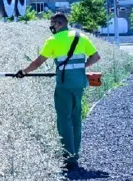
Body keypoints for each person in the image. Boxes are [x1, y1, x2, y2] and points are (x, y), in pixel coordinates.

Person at [15, 12, 101, 172]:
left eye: (53, 23)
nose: (51, 26)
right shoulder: (81, 37)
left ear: (59, 24)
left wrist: (24, 72)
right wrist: (81, 67)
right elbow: (95, 57)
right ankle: (75, 156)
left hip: (64, 85)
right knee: (76, 120)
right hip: (79, 84)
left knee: (64, 121)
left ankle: (69, 159)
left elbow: (38, 62)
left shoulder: (53, 40)